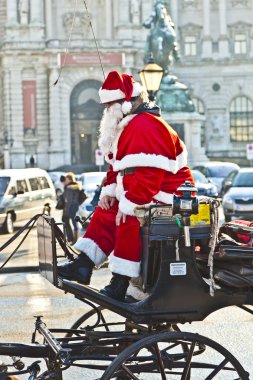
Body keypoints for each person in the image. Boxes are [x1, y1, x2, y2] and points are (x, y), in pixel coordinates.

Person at [58, 71, 194, 301]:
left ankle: (121, 281)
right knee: (106, 209)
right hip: (146, 193)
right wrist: (109, 192)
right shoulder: (127, 126)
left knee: (128, 218)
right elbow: (117, 167)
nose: (106, 111)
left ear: (125, 104)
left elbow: (149, 176)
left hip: (170, 196)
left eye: (110, 105)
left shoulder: (146, 126)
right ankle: (84, 263)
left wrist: (129, 204)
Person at [61, 172, 82, 244]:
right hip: (74, 206)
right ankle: (73, 239)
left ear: (70, 179)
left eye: (66, 179)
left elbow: (68, 200)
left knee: (73, 222)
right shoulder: (76, 186)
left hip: (71, 206)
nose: (65, 181)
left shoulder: (69, 188)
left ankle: (74, 240)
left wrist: (66, 209)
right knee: (73, 222)